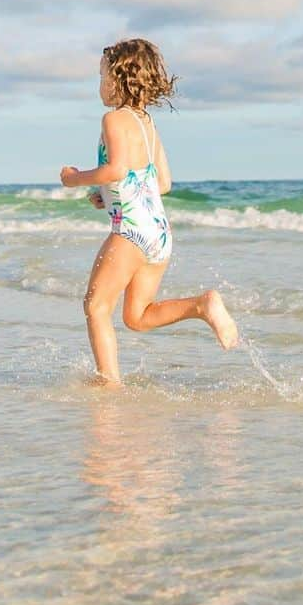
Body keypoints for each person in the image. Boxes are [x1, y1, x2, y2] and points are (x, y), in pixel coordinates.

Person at [60, 39, 239, 386]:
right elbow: (164, 182)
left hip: (131, 230)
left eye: (101, 76)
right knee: (137, 317)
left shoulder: (113, 119)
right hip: (158, 232)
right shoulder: (146, 124)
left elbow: (116, 168)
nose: (98, 85)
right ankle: (201, 305)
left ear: (118, 78)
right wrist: (106, 195)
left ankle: (109, 383)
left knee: (96, 307)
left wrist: (76, 179)